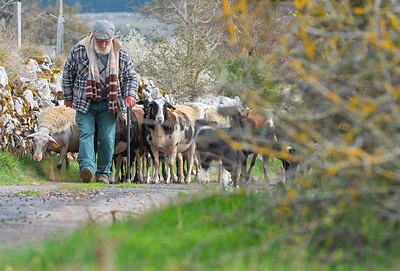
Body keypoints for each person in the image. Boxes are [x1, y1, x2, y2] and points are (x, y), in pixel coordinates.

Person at [62, 20, 137, 184]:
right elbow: (68, 73)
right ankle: (87, 168)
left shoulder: (120, 52)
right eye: (99, 40)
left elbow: (130, 77)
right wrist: (68, 97)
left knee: (107, 138)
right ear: (93, 36)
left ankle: (103, 173)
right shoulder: (79, 49)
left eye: (106, 41)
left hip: (108, 103)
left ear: (112, 38)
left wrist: (130, 95)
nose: (103, 44)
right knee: (86, 133)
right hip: (84, 101)